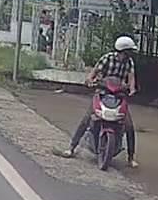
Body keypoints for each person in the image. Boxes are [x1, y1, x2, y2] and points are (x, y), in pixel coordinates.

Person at [54, 36, 140, 168]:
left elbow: (131, 77)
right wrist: (90, 80)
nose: (130, 54)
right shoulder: (107, 58)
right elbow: (94, 72)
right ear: (123, 51)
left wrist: (132, 89)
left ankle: (130, 157)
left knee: (128, 126)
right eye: (129, 51)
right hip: (102, 93)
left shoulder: (129, 62)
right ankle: (71, 148)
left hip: (119, 95)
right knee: (87, 119)